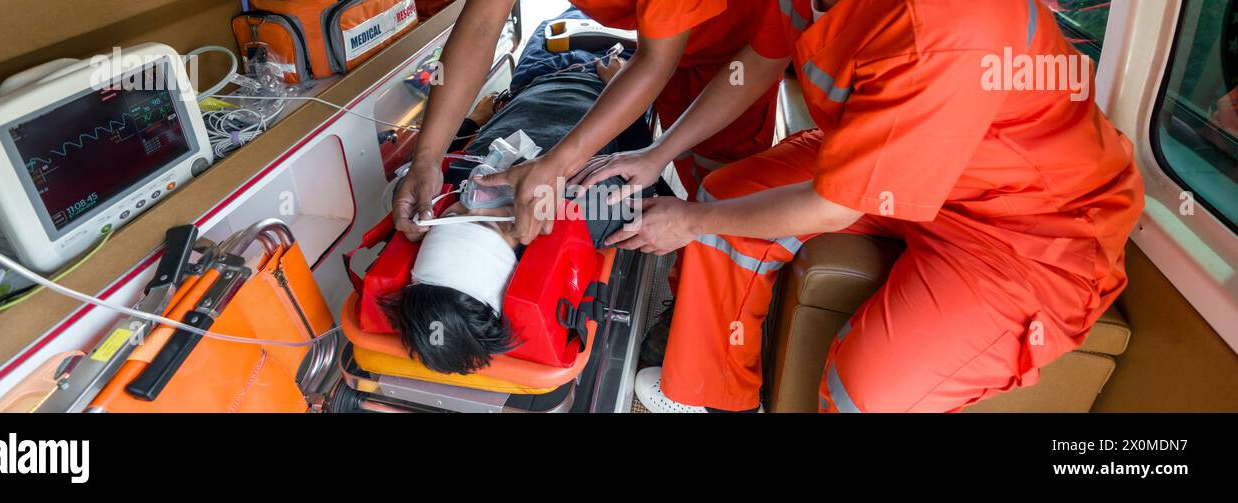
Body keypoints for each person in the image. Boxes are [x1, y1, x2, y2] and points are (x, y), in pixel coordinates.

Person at [577, 0, 1145, 412]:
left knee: (867, 393)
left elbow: (831, 208)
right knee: (727, 194)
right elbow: (757, 62)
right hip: (911, 158)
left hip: (1030, 227)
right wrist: (659, 153)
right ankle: (717, 398)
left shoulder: (952, 25)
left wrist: (688, 222)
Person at [394, 1, 778, 248]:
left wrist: (559, 165)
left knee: (719, 188)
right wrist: (427, 157)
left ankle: (705, 299)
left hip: (741, 51)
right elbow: (480, 26)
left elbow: (654, 61)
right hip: (642, 43)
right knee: (672, 163)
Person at [381, 31, 650, 375]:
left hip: (533, 75)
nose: (477, 195)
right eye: (488, 222)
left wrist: (427, 159)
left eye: (456, 214)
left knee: (551, 29)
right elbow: (640, 167)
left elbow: (480, 29)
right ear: (521, 239)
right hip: (607, 87)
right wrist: (623, 87)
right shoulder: (588, 208)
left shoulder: (448, 182)